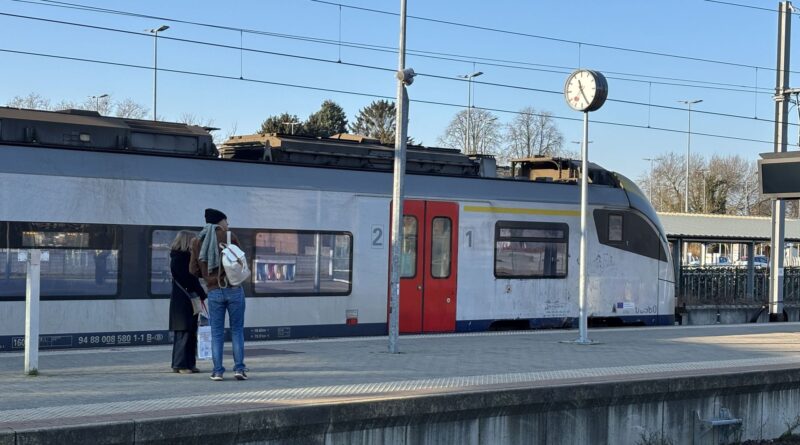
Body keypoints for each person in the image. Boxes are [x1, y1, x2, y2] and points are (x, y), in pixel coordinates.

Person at [190, 208, 248, 381]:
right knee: (237, 330)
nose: (227, 224)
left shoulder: (196, 241)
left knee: (216, 333)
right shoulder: (229, 236)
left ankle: (217, 371)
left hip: (214, 291)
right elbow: (240, 262)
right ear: (219, 222)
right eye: (225, 221)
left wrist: (209, 276)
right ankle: (239, 369)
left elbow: (192, 269)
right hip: (234, 288)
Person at [169, 230, 206, 374]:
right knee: (184, 332)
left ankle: (189, 363)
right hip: (185, 300)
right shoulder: (182, 258)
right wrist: (203, 293)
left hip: (183, 299)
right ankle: (180, 364)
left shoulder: (178, 257)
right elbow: (190, 279)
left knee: (189, 332)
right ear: (187, 241)